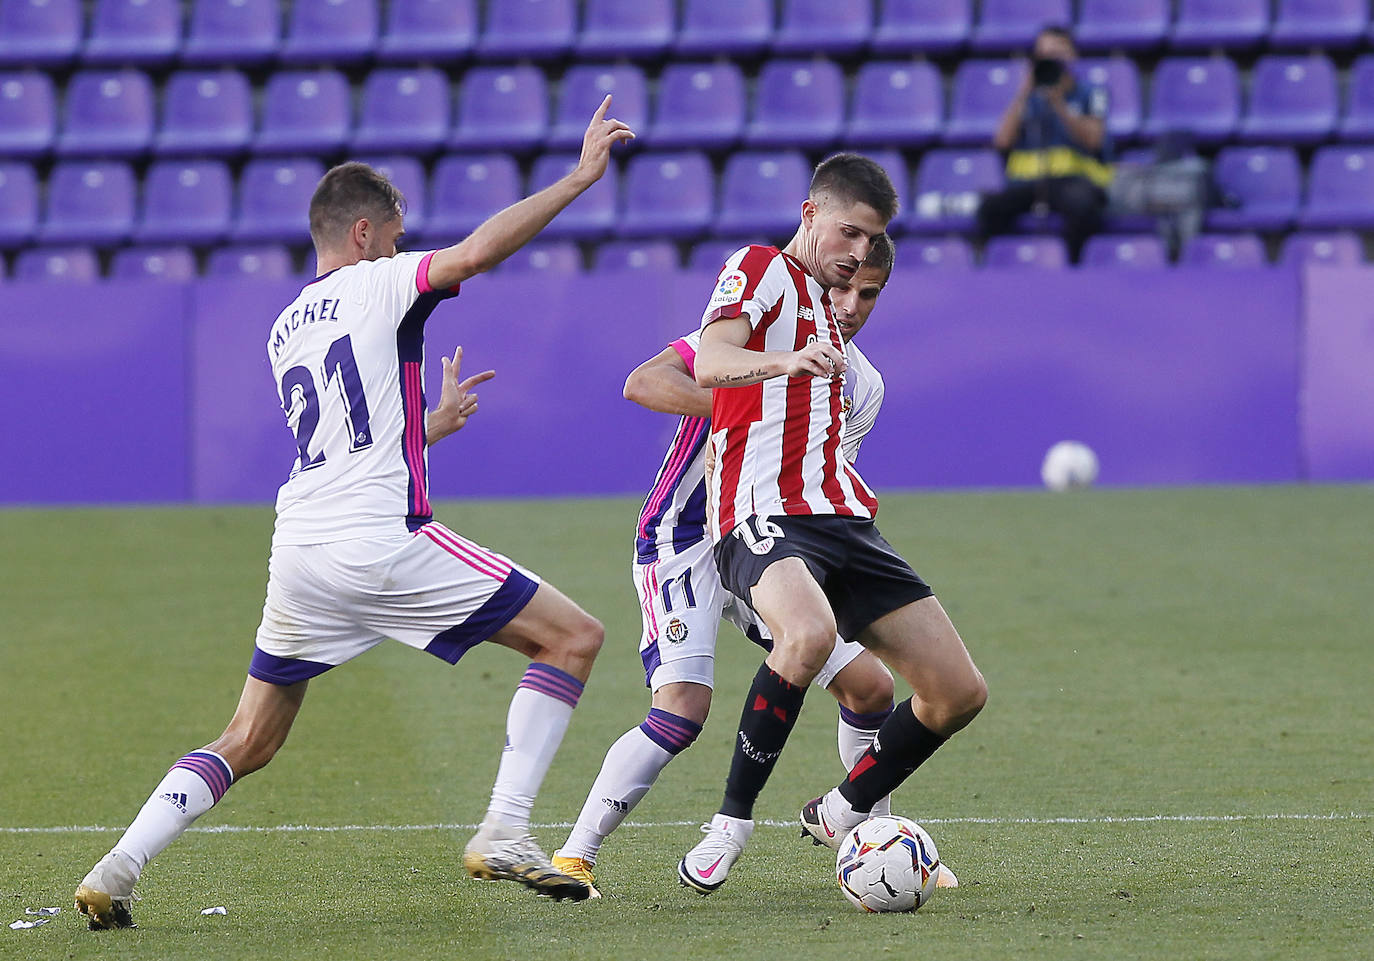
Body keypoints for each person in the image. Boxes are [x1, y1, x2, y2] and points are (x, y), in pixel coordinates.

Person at [73, 97, 635, 929]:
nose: (406, 246)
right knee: (574, 635)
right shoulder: (382, 280)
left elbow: (347, 430)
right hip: (378, 538)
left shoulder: (282, 327)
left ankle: (117, 866)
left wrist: (427, 427)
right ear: (366, 233)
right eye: (399, 232)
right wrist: (579, 178)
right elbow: (476, 254)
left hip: (299, 548)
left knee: (249, 736)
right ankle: (506, 828)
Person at [550, 237, 904, 898]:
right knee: (683, 709)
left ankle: (877, 844)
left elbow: (819, 490)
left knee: (871, 688)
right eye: (842, 287)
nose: (850, 306)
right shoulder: (752, 335)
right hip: (685, 534)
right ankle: (574, 855)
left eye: (869, 294)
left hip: (769, 541)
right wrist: (752, 409)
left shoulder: (864, 386)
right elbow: (644, 381)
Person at [676, 154, 987, 893]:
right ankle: (730, 823)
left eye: (870, 240)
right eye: (848, 232)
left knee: (957, 690)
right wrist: (785, 361)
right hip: (760, 512)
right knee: (808, 635)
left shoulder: (836, 310)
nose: (856, 252)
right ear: (811, 213)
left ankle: (842, 808)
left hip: (844, 517)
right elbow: (711, 360)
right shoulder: (758, 269)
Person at [976, 25, 1113, 263]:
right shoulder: (1027, 96)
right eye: (1044, 55)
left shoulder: (1092, 93)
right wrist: (1023, 92)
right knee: (990, 208)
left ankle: (1075, 269)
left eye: (1057, 54)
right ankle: (999, 268)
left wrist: (1059, 103)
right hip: (1030, 182)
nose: (1050, 60)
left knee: (1084, 206)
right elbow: (1002, 141)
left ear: (1073, 56)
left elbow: (1093, 141)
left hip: (1073, 181)